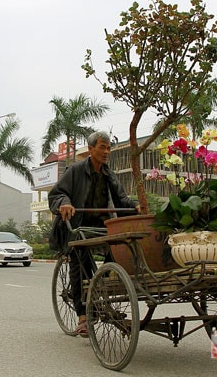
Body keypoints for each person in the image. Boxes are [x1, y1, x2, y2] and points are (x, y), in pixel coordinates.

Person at [48, 131, 141, 337]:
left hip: (99, 226)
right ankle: (82, 318)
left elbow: (122, 199)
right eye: (102, 147)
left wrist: (135, 207)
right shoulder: (75, 170)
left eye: (108, 148)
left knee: (118, 249)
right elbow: (56, 194)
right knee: (78, 262)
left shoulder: (108, 173)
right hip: (76, 225)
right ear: (90, 149)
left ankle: (101, 289)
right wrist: (65, 203)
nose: (106, 152)